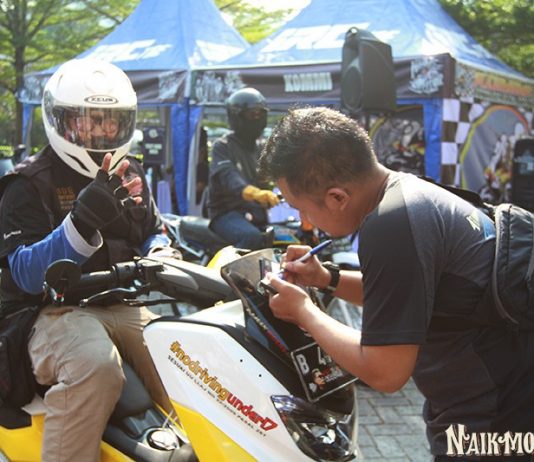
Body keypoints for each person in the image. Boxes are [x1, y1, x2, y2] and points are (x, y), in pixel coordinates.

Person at [259, 107, 534, 461]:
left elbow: (385, 371)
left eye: (302, 208)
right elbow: (403, 295)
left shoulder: (391, 223)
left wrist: (303, 311)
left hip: (494, 419)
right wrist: (326, 278)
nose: (303, 221)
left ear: (337, 197)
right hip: (504, 397)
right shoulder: (409, 192)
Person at [0, 58, 178, 461]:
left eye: (110, 121)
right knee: (95, 365)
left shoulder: (130, 172)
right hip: (52, 312)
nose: (101, 131)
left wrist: (159, 252)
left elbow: (155, 229)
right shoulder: (27, 183)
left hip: (124, 302)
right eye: (88, 121)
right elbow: (25, 273)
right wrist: (80, 223)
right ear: (61, 122)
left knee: (184, 358)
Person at [207, 87, 280, 250]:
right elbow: (229, 176)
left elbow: (274, 174)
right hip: (226, 213)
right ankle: (235, 268)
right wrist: (255, 193)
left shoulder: (260, 147)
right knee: (251, 237)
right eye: (252, 114)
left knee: (285, 233)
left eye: (261, 114)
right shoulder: (222, 146)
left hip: (255, 211)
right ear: (237, 117)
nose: (257, 118)